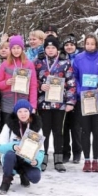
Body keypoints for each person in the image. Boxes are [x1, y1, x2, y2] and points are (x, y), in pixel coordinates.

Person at [34, 36, 77, 172]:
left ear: (57, 48)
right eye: (48, 47)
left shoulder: (65, 62)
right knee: (44, 131)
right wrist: (40, 86)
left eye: (53, 47)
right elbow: (32, 80)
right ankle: (43, 158)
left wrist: (70, 102)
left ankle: (58, 159)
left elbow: (71, 83)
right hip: (44, 103)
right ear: (44, 49)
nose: (50, 50)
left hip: (60, 104)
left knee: (59, 132)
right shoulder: (39, 62)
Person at [72, 35, 98, 173]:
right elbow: (74, 76)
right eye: (88, 43)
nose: (90, 46)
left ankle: (96, 160)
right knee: (85, 131)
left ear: (97, 44)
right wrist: (79, 91)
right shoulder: (79, 58)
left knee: (97, 131)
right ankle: (86, 160)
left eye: (93, 44)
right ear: (84, 44)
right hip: (84, 99)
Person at [0, 99, 44, 195]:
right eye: (20, 111)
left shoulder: (36, 127)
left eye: (25, 111)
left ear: (29, 112)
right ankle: (6, 180)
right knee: (9, 155)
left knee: (35, 177)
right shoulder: (8, 126)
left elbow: (41, 151)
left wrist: (36, 161)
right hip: (12, 159)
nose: (23, 114)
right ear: (16, 113)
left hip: (27, 160)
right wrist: (12, 146)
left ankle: (24, 175)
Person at [0, 36, 38, 129]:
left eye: (18, 48)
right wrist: (6, 83)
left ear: (22, 49)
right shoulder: (5, 64)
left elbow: (33, 86)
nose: (16, 50)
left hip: (23, 106)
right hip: (7, 104)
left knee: (21, 132)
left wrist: (33, 105)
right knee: (6, 131)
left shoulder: (29, 64)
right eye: (13, 48)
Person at [61, 33, 83, 164]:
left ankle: (77, 152)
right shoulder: (61, 58)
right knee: (64, 127)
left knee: (76, 127)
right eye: (66, 45)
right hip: (63, 97)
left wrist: (78, 92)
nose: (69, 47)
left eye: (71, 45)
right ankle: (65, 152)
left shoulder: (79, 58)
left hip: (78, 97)